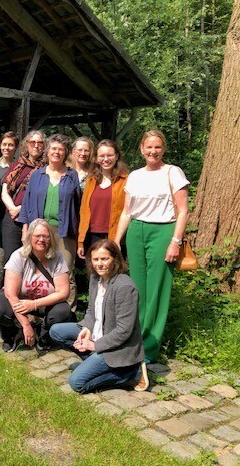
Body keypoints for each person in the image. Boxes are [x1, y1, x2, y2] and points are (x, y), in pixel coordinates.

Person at [114, 130, 189, 363]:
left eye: (157, 147)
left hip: (163, 231)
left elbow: (184, 210)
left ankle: (150, 346)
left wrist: (175, 242)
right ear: (141, 149)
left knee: (157, 289)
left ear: (163, 149)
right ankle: (134, 339)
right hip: (137, 231)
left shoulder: (172, 172)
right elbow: (127, 211)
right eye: (149, 147)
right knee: (137, 289)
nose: (153, 151)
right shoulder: (135, 175)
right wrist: (117, 240)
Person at [49, 240, 147, 393]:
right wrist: (87, 328)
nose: (99, 264)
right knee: (56, 331)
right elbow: (91, 311)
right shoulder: (95, 279)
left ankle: (132, 373)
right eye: (95, 259)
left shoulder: (124, 287)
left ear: (115, 258)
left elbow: (123, 331)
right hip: (98, 333)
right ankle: (98, 364)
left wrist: (94, 346)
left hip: (118, 347)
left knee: (77, 383)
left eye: (104, 259)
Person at [0, 219, 71, 352]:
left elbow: (63, 292)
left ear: (51, 238)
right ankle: (10, 335)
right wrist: (26, 324)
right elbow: (11, 293)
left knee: (63, 311)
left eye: (45, 236)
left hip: (44, 303)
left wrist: (34, 304)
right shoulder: (18, 256)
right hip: (20, 301)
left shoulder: (57, 257)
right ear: (30, 237)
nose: (41, 239)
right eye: (37, 236)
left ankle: (43, 335)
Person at [19, 133, 80, 305]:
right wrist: (25, 230)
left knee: (66, 271)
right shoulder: (37, 175)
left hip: (64, 230)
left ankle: (68, 312)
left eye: (61, 149)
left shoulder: (71, 175)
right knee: (35, 269)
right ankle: (35, 310)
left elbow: (78, 205)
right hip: (39, 231)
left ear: (65, 153)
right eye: (54, 148)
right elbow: (26, 203)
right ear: (47, 151)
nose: (57, 152)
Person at [77, 139, 129, 259]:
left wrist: (118, 239)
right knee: (94, 274)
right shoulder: (91, 180)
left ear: (117, 156)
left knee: (115, 273)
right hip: (92, 236)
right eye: (102, 156)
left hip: (115, 236)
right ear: (96, 158)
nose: (106, 159)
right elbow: (84, 211)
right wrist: (81, 242)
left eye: (110, 155)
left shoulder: (125, 180)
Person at [0, 131, 46, 262]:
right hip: (11, 219)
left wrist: (20, 208)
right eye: (33, 142)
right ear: (27, 145)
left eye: (40, 142)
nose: (36, 145)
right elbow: (4, 191)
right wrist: (12, 209)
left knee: (32, 259)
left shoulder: (46, 169)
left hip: (33, 219)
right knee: (11, 258)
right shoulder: (16, 165)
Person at [0, 131, 20, 244]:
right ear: (0, 145)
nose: (6, 148)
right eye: (4, 144)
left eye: (10, 145)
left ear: (16, 147)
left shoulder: (18, 167)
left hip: (8, 213)